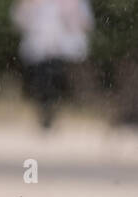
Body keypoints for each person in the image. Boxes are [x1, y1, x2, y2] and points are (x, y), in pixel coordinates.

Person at [12, 0, 95, 130]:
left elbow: (87, 24)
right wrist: (28, 7)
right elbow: (19, 23)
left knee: (54, 71)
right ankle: (47, 110)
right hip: (39, 55)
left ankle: (52, 108)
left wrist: (71, 13)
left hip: (66, 53)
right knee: (45, 73)